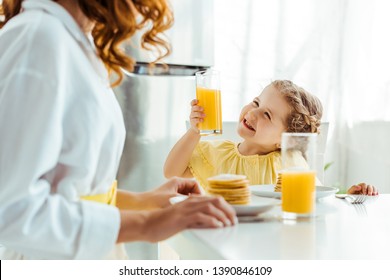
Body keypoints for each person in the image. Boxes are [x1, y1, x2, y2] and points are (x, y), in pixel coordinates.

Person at [0, 0, 236, 260]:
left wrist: (143, 200)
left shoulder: (71, 43)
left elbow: (71, 189)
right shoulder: (38, 39)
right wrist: (148, 225)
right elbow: (12, 211)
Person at [164, 80, 378, 196]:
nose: (253, 112)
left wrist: (348, 197)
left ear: (285, 140)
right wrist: (195, 131)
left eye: (267, 115)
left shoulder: (291, 164)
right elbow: (171, 172)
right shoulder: (217, 152)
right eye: (256, 103)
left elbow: (315, 199)